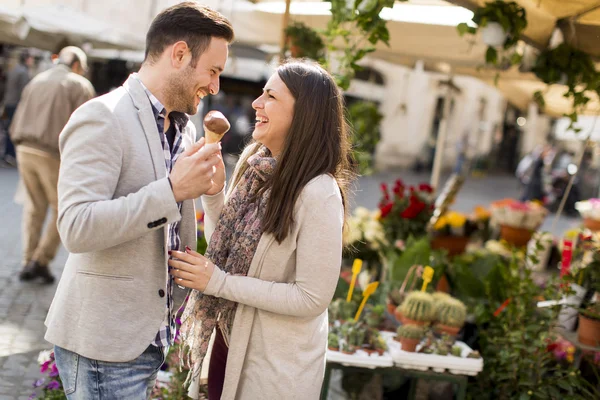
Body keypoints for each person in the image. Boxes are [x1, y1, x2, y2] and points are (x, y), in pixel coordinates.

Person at [44, 3, 234, 399]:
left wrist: (207, 190)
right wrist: (172, 191)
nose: (215, 86)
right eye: (213, 71)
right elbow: (76, 228)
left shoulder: (184, 127)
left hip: (148, 342)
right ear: (179, 54)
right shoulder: (102, 117)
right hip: (103, 345)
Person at [169, 60, 356, 400]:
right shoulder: (255, 163)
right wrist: (214, 196)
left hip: (274, 368)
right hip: (229, 340)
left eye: (270, 96)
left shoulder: (319, 191)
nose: (256, 104)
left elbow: (312, 298)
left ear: (304, 115)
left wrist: (218, 283)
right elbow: (229, 248)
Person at [10, 46, 95, 283]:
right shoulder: (78, 84)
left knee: (34, 208)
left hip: (24, 149)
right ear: (77, 64)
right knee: (63, 209)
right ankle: (41, 260)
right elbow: (89, 126)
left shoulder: (38, 79)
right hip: (51, 153)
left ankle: (29, 261)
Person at [1, 50, 33, 165]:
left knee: (8, 128)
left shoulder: (13, 70)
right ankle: (10, 155)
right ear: (27, 59)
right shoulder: (23, 72)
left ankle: (7, 154)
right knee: (13, 130)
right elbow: (24, 91)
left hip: (8, 102)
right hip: (16, 104)